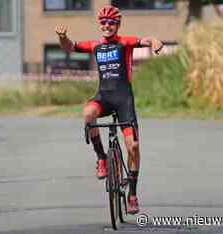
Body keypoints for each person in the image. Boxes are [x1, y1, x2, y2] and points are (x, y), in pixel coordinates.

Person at [55, 5, 163, 215]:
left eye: (111, 23)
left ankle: (132, 194)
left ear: (117, 25)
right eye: (103, 22)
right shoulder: (95, 45)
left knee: (133, 146)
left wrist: (156, 41)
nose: (107, 26)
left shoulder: (124, 43)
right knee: (87, 114)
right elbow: (69, 47)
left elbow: (146, 40)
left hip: (124, 100)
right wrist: (63, 37)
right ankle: (102, 157)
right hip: (104, 97)